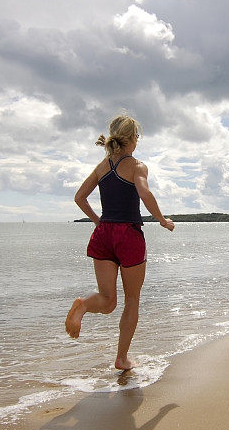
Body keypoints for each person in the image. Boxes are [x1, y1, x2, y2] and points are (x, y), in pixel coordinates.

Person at [66, 115, 175, 371]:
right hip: (128, 235)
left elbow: (79, 197)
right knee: (132, 300)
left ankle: (83, 305)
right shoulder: (137, 166)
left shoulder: (102, 167)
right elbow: (145, 192)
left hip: (104, 234)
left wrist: (98, 221)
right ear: (132, 139)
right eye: (137, 136)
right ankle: (121, 358)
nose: (138, 141)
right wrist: (161, 220)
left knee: (107, 300)